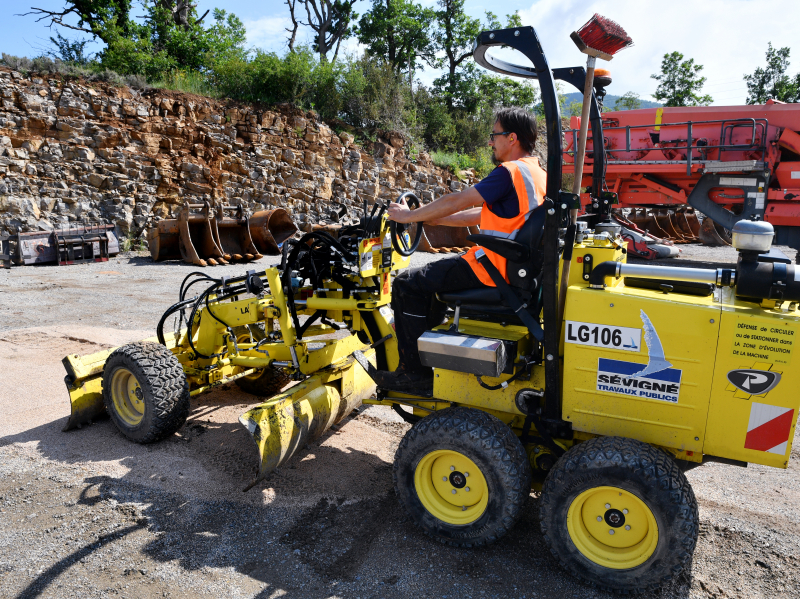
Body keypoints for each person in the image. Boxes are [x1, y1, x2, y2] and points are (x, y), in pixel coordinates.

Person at [372, 106, 547, 392]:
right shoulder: (537, 173)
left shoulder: (509, 172)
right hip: (515, 267)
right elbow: (482, 214)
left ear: (512, 137)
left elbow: (460, 200)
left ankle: (414, 373)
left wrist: (406, 216)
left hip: (493, 268)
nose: (491, 142)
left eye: (494, 135)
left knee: (406, 284)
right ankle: (429, 349)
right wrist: (428, 217)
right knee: (433, 278)